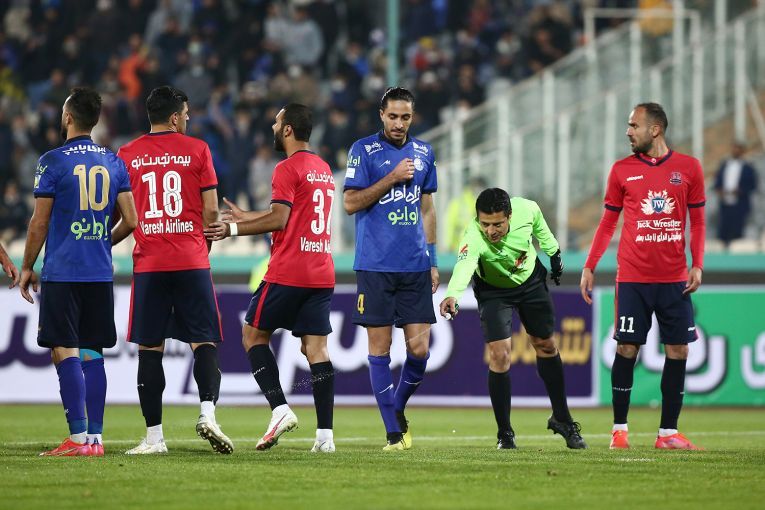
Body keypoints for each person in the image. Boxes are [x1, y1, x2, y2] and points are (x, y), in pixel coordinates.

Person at [205, 103, 336, 453]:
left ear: (288, 129)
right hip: (321, 270)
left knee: (252, 335)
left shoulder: (286, 167)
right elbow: (293, 214)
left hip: (290, 269)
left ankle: (280, 409)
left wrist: (232, 229)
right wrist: (247, 216)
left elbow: (279, 220)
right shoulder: (322, 168)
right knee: (317, 349)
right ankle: (325, 437)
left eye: (277, 123)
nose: (273, 128)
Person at [19, 87, 138, 456]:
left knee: (64, 348)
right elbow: (131, 220)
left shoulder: (52, 161)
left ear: (68, 117)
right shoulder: (113, 162)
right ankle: (95, 440)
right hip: (99, 272)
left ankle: (77, 438)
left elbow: (39, 222)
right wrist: (101, 241)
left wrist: (27, 266)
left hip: (64, 270)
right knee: (92, 350)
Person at [580, 102, 705, 450]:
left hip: (675, 279)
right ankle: (619, 431)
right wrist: (590, 265)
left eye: (634, 125)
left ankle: (668, 433)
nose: (628, 132)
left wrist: (697, 264)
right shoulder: (621, 170)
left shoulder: (689, 168)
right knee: (627, 347)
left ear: (655, 129)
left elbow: (698, 222)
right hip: (633, 278)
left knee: (678, 349)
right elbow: (608, 222)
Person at [117, 86, 233, 455]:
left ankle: (154, 439)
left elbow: (123, 214)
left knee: (150, 348)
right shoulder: (198, 149)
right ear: (174, 117)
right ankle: (208, 414)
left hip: (150, 263)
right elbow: (211, 212)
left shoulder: (127, 154)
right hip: (191, 260)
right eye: (185, 114)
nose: (188, 118)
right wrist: (202, 245)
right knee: (203, 340)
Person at [438, 188, 587, 450]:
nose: (490, 231)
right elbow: (464, 265)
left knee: (546, 345)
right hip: (493, 291)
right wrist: (452, 294)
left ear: (509, 216)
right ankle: (505, 433)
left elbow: (540, 226)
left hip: (530, 282)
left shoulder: (527, 209)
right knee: (499, 355)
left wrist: (554, 253)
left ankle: (562, 418)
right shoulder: (473, 236)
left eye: (497, 224)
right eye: (485, 224)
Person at [343, 87, 438, 451]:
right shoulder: (363, 150)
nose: (399, 123)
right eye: (393, 116)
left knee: (419, 351)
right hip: (375, 266)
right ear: (381, 115)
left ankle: (396, 409)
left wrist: (432, 260)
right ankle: (393, 433)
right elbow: (350, 202)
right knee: (380, 349)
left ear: (412, 117)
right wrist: (392, 178)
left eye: (406, 117)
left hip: (415, 266)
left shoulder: (425, 152)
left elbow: (427, 209)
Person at [714, 142, 758, 246]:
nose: (735, 151)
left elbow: (753, 185)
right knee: (724, 228)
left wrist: (741, 190)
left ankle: (736, 250)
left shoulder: (748, 168)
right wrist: (719, 190)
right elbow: (718, 181)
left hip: (740, 203)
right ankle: (723, 249)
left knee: (738, 229)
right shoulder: (724, 165)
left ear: (742, 151)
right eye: (734, 149)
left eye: (738, 149)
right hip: (725, 202)